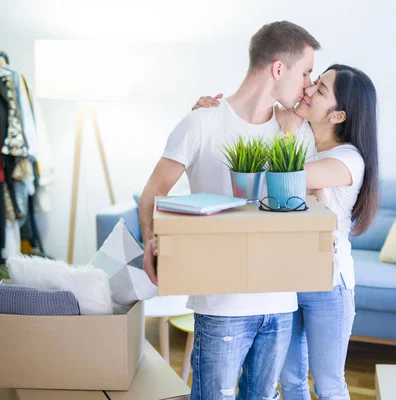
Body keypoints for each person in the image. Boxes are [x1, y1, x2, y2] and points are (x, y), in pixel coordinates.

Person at [140, 21, 320, 400]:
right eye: (305, 72)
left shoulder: (295, 132)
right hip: (222, 305)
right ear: (278, 69)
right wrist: (152, 244)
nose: (308, 83)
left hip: (281, 303)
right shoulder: (202, 122)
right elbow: (154, 191)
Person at [192, 63, 379, 400]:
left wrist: (288, 127)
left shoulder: (349, 159)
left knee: (329, 384)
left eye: (320, 90)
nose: (307, 89)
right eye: (314, 81)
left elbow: (286, 180)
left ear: (338, 116)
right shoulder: (304, 136)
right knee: (291, 380)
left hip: (329, 282)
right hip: (291, 277)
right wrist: (212, 116)